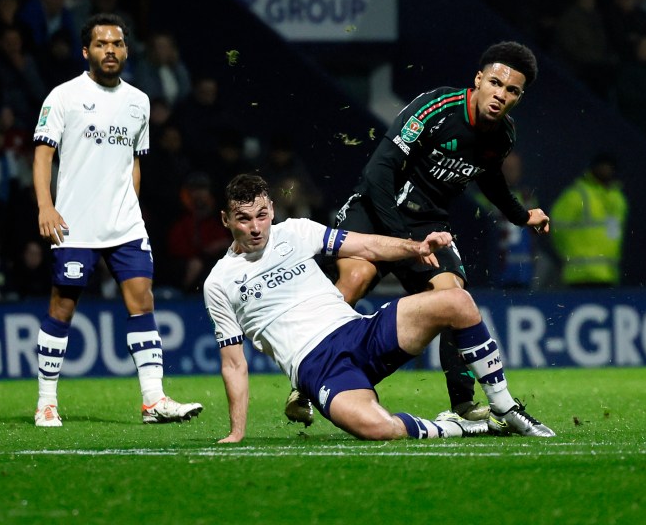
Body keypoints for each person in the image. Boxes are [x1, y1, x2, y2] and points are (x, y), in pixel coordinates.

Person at [304, 42, 551, 426]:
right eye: (496, 83)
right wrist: (402, 242)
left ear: (519, 96)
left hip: (428, 225)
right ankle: (304, 383)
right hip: (375, 208)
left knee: (454, 296)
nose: (501, 95)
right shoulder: (434, 109)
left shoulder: (503, 136)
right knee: (357, 276)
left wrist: (522, 216)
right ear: (478, 79)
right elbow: (378, 173)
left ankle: (465, 406)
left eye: (512, 90)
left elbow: (490, 180)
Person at [204, 174, 555, 442]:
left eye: (261, 215)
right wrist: (237, 432)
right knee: (377, 428)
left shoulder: (296, 232)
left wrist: (415, 247)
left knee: (456, 300)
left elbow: (367, 246)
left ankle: (504, 406)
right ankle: (458, 427)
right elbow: (234, 364)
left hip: (357, 332)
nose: (255, 228)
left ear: (272, 211)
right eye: (244, 219)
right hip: (317, 368)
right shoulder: (220, 282)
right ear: (226, 220)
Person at [31, 12, 203, 427]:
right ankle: (46, 402)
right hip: (74, 225)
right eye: (103, 44)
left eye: (118, 44)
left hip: (125, 224)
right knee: (63, 307)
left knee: (143, 301)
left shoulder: (139, 101)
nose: (111, 50)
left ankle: (153, 400)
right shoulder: (63, 96)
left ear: (126, 51)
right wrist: (45, 206)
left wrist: (133, 208)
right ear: (86, 50)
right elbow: (42, 155)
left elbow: (134, 163)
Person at [549, 153, 628, 287]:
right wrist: (567, 256)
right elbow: (556, 229)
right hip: (579, 275)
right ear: (592, 168)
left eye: (608, 167)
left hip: (609, 275)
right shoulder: (577, 195)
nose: (605, 170)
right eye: (601, 166)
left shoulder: (618, 198)